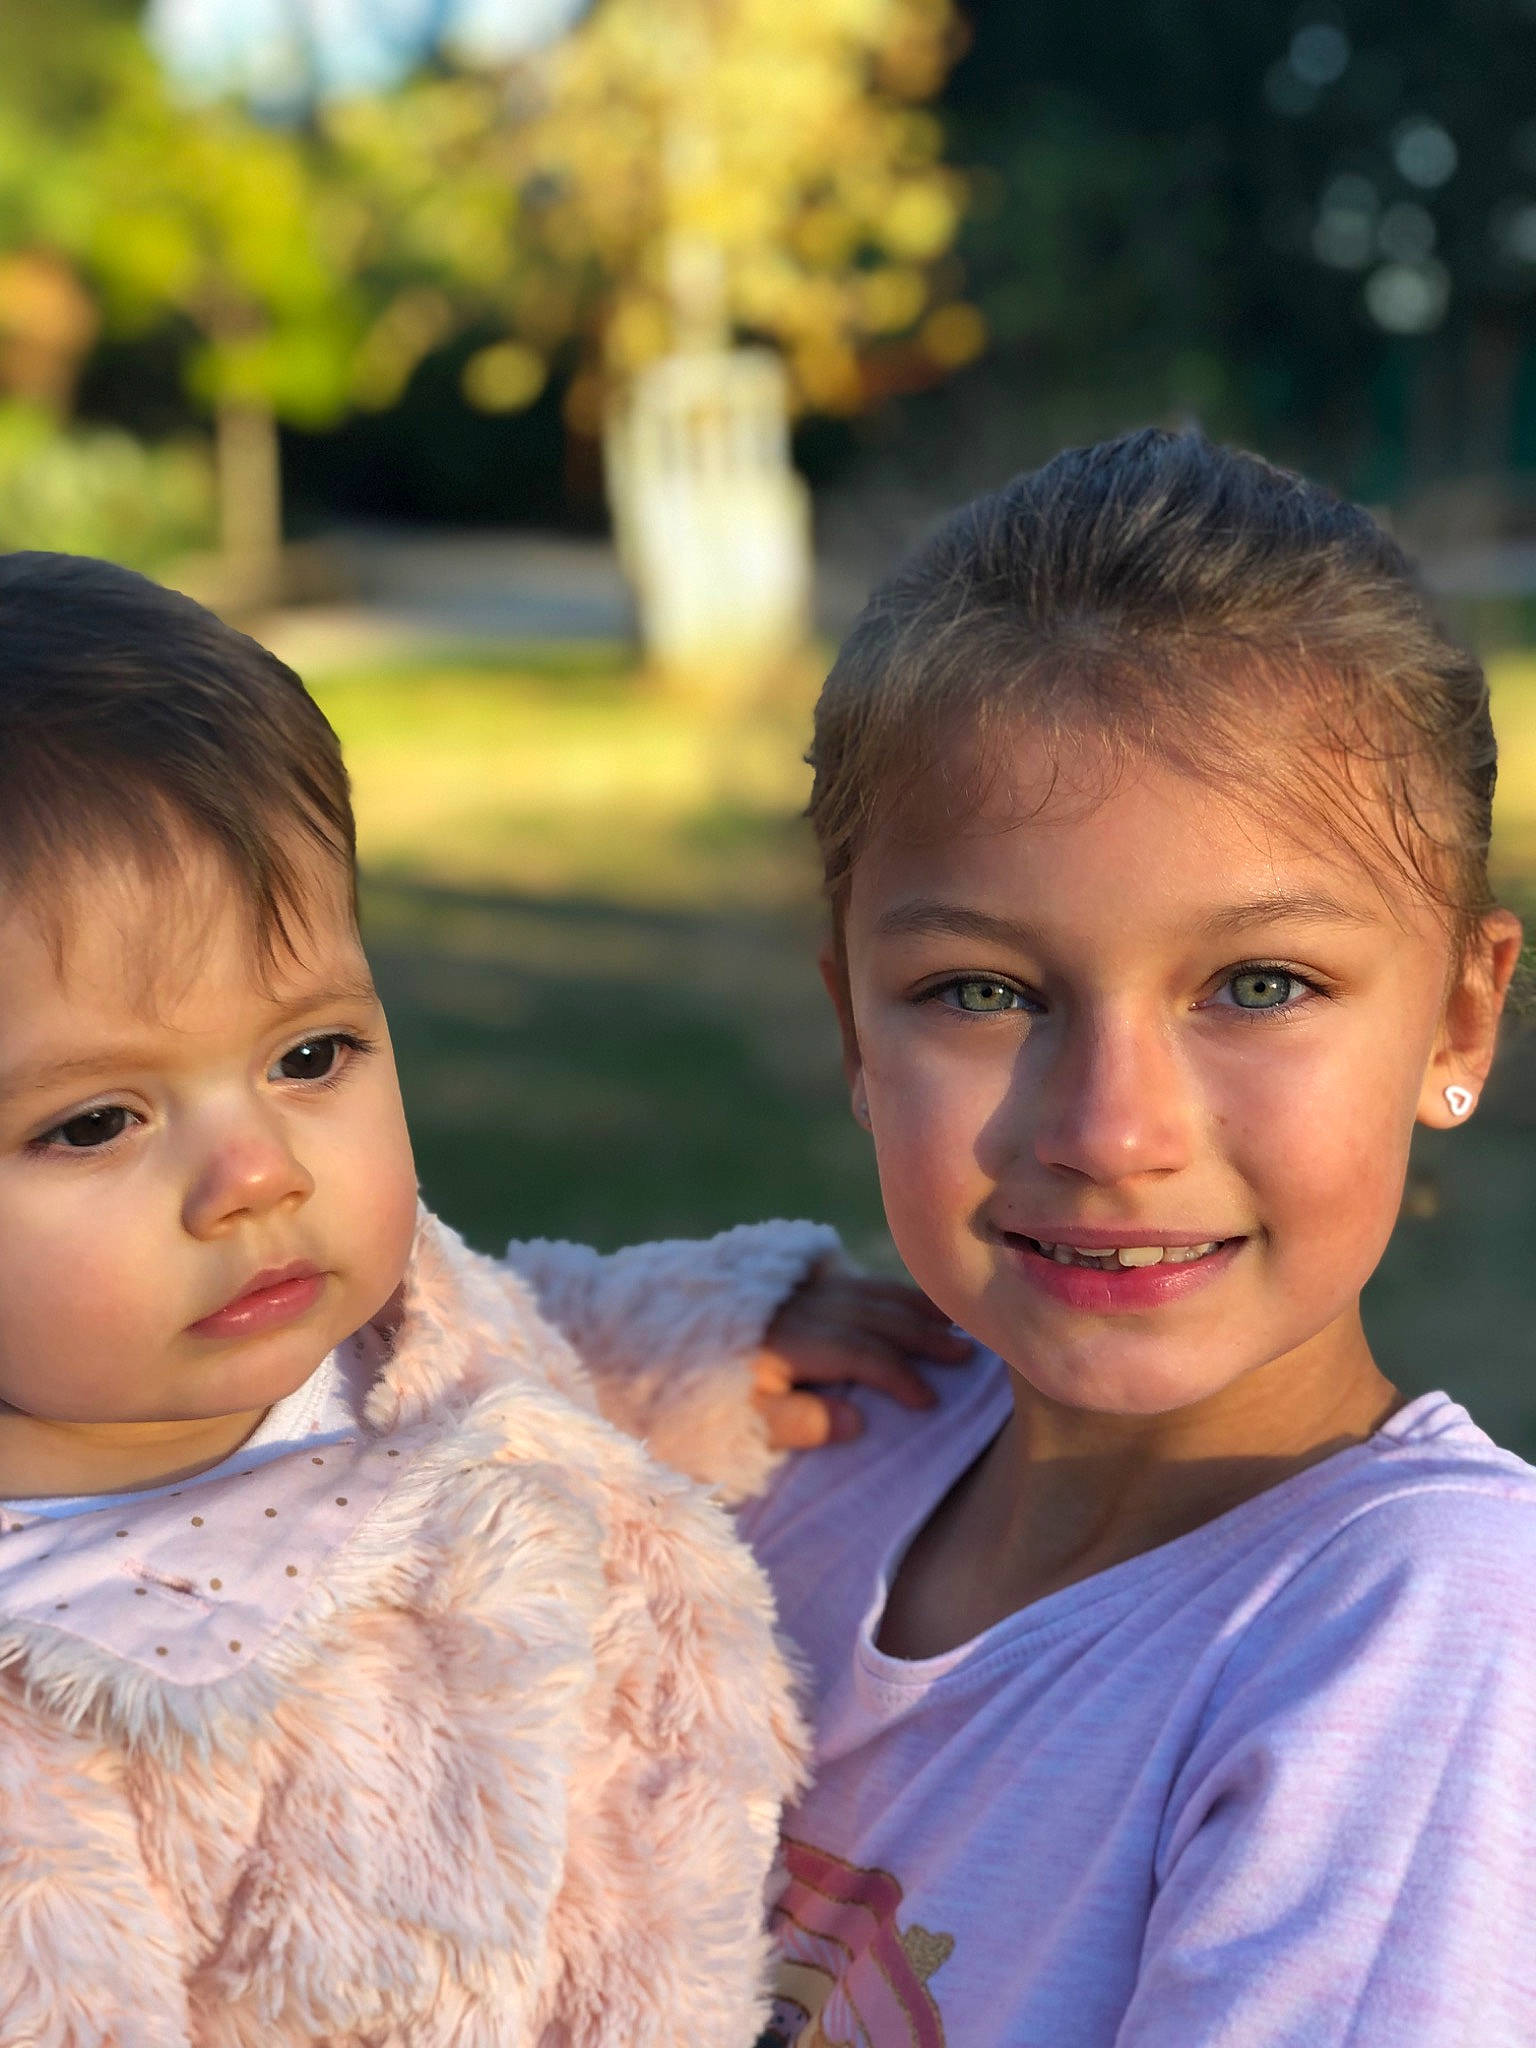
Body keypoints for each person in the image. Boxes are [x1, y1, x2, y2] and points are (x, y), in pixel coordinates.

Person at [0, 551, 963, 2046]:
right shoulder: (40, 1706)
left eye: (309, 1056)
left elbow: (535, 1326)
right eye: (94, 1123)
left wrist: (711, 1335)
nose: (255, 1176)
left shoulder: (397, 1331)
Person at [741, 428, 1536, 2046]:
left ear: (1462, 1016)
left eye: (1259, 987)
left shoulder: (1423, 1634)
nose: (1110, 1131)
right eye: (982, 992)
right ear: (853, 1027)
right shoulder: (793, 1462)